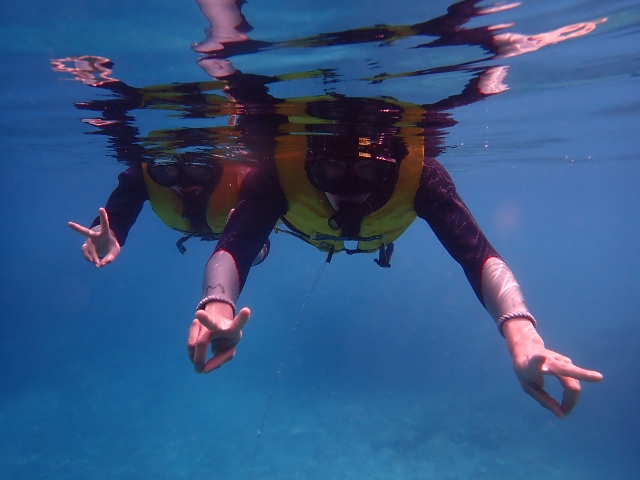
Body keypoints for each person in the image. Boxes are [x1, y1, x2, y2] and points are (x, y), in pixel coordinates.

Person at [187, 95, 602, 420]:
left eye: (369, 170)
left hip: (365, 235)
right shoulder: (277, 177)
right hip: (322, 229)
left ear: (393, 164)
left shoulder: (422, 178)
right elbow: (235, 245)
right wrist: (218, 303)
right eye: (328, 170)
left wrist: (521, 332)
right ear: (307, 161)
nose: (348, 186)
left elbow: (476, 254)